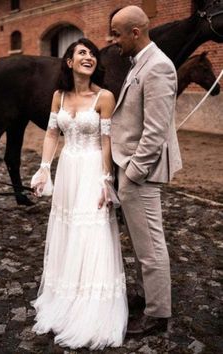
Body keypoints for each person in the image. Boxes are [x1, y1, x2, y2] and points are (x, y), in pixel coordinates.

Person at [31, 38, 128, 350]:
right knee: (68, 229)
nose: (89, 57)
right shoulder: (58, 97)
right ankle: (65, 294)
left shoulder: (105, 97)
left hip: (91, 170)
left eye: (92, 54)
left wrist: (105, 179)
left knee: (93, 230)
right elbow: (51, 133)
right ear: (69, 62)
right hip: (68, 170)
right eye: (82, 53)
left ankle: (91, 304)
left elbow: (106, 142)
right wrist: (44, 167)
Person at [110, 6, 182, 335]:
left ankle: (158, 315)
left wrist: (134, 172)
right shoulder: (141, 63)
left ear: (135, 33)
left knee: (151, 246)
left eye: (116, 33)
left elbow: (155, 131)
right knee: (142, 244)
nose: (113, 41)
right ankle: (150, 297)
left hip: (141, 173)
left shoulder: (159, 67)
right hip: (131, 169)